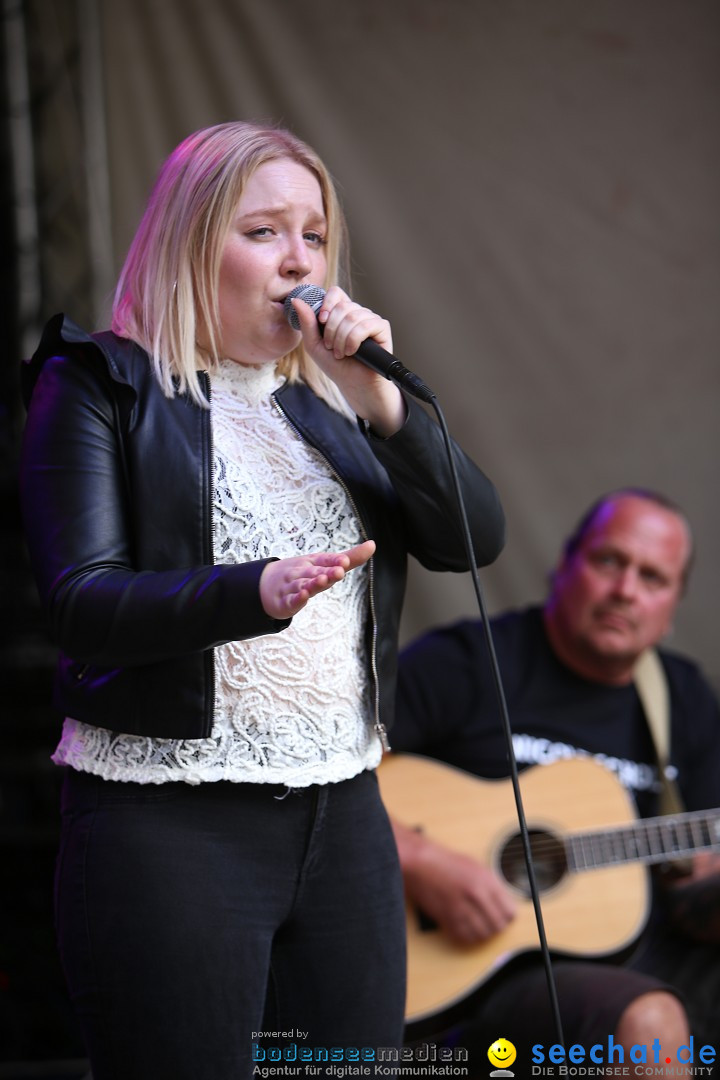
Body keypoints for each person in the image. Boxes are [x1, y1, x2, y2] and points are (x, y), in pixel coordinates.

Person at [18, 120, 505, 1080]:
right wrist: (253, 591)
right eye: (264, 233)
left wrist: (384, 401)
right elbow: (81, 602)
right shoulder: (100, 385)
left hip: (345, 818)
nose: (299, 263)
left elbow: (471, 539)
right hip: (170, 825)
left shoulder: (325, 407)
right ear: (193, 244)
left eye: (314, 237)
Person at [391, 489, 720, 1073]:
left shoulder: (685, 700)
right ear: (562, 565)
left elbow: (694, 893)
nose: (626, 590)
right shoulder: (466, 661)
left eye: (653, 578)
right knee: (647, 1024)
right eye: (609, 562)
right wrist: (420, 860)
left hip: (648, 952)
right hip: (488, 975)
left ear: (672, 608)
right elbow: (319, 779)